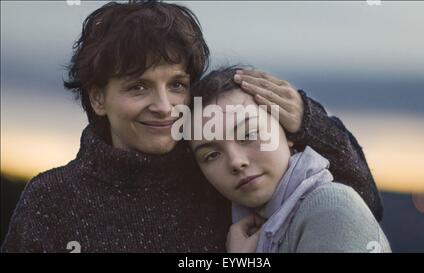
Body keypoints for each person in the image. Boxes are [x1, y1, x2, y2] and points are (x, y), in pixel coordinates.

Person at [2, 1, 382, 252]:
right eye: (138, 86)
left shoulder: (217, 176)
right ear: (98, 98)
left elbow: (356, 204)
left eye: (177, 85)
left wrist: (306, 119)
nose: (164, 106)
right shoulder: (51, 200)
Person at [188, 66, 391, 252]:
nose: (235, 162)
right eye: (211, 155)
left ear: (287, 134)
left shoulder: (330, 207)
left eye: (248, 135)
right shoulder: (248, 227)